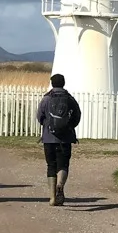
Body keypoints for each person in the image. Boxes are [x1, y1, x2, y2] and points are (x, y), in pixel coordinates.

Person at [36, 73, 82, 206]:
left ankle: (52, 197)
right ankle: (60, 185)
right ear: (63, 83)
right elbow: (77, 115)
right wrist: (70, 126)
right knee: (63, 164)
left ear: (52, 83)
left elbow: (40, 116)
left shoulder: (46, 99)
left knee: (51, 165)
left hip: (49, 137)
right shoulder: (69, 99)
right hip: (65, 138)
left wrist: (47, 125)